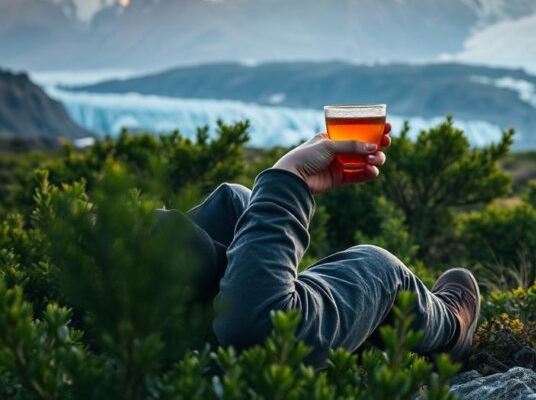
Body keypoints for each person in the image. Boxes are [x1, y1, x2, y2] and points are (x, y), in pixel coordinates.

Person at [158, 123, 480, 366]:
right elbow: (257, 327)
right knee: (380, 269)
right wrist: (290, 177)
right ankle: (453, 332)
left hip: (167, 265)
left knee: (234, 201)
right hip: (231, 323)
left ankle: (337, 323)